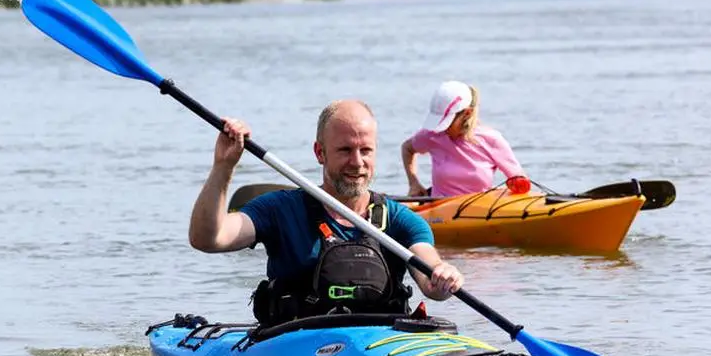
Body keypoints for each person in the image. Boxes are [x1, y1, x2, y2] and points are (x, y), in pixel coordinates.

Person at [187, 99, 465, 327]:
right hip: (295, 350)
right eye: (345, 150)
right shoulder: (278, 209)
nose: (357, 162)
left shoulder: (400, 220)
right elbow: (209, 239)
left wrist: (444, 276)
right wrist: (223, 166)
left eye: (365, 150)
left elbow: (432, 285)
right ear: (320, 152)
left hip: (378, 350)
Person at [400, 80, 528, 198]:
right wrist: (414, 183)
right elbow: (407, 148)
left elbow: (517, 176)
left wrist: (517, 182)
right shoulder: (432, 135)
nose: (442, 128)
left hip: (480, 211)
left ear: (467, 113)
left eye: (447, 122)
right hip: (440, 211)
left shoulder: (491, 139)